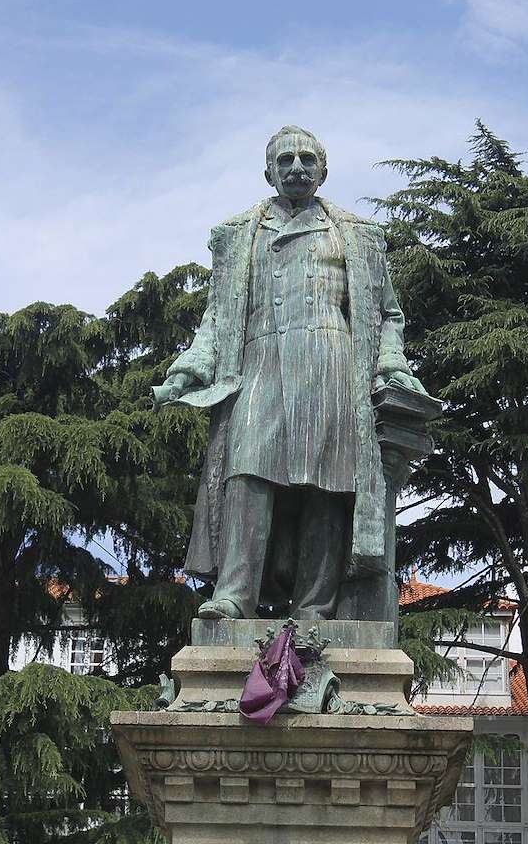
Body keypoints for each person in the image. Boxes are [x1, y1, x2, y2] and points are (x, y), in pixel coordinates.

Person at [153, 125, 424, 620]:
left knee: (330, 485)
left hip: (335, 365)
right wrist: (190, 367)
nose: (296, 168)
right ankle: (235, 594)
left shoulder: (358, 236)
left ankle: (314, 609)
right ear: (268, 172)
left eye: (305, 159)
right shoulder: (239, 235)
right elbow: (219, 312)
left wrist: (390, 365)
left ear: (323, 169)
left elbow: (387, 314)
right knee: (246, 471)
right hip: (258, 366)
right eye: (285, 160)